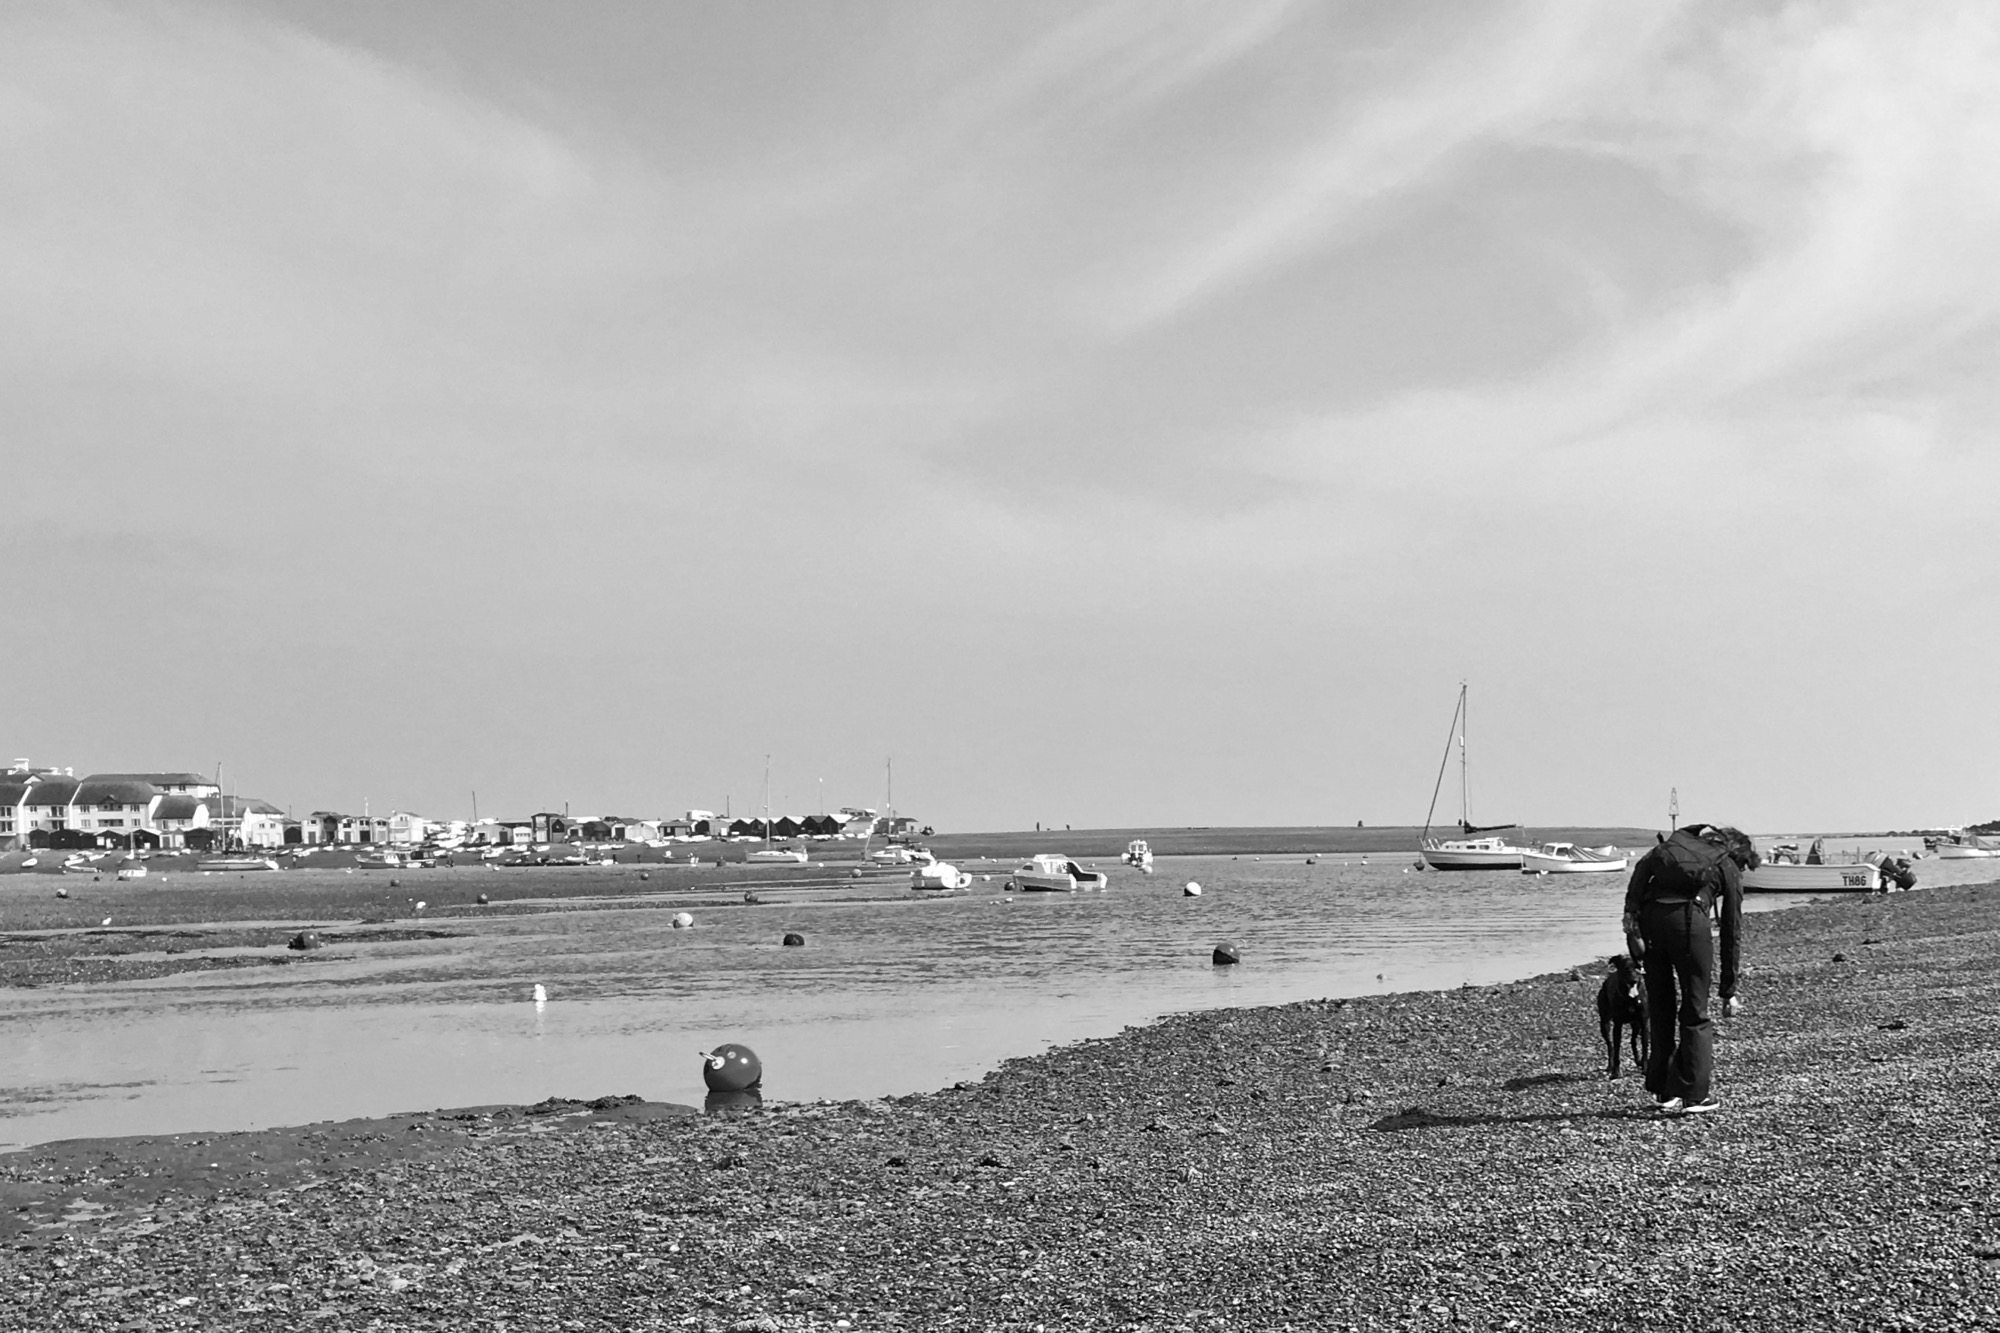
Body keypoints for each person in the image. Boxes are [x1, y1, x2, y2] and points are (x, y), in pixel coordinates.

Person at [1621, 823, 1755, 1114]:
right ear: (1738, 853)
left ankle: (1663, 1091)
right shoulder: (1726, 865)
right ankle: (1694, 1095)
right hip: (1689, 924)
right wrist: (1728, 990)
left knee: (1661, 1007)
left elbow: (1643, 868)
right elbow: (1732, 929)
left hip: (1652, 919)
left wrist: (1630, 915)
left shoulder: (1677, 849)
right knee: (1695, 1011)